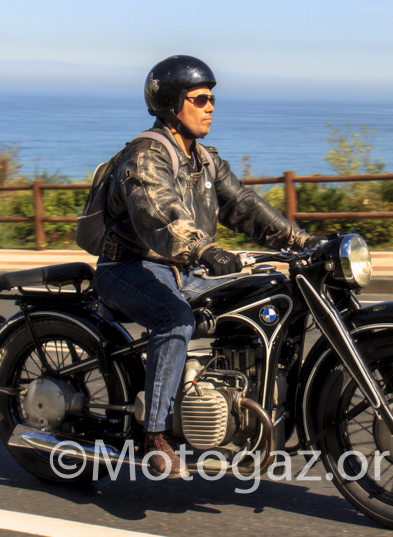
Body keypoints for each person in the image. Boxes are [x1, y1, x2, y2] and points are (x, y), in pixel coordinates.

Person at [93, 55, 322, 478]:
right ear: (171, 103)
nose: (210, 106)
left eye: (212, 99)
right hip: (129, 268)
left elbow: (245, 206)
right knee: (175, 318)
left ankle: (241, 402)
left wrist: (303, 242)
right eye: (199, 99)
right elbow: (160, 214)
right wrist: (205, 251)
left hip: (181, 269)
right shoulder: (145, 157)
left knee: (268, 293)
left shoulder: (204, 160)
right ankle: (156, 435)